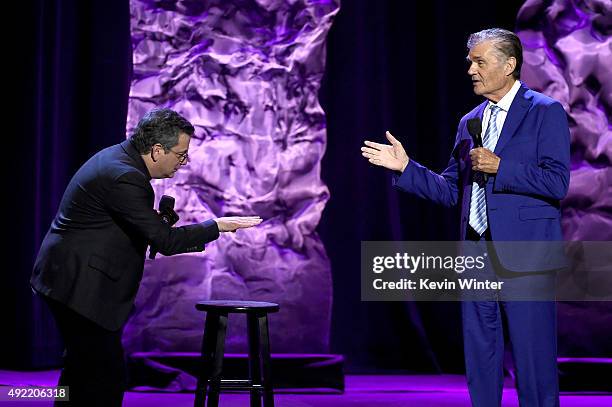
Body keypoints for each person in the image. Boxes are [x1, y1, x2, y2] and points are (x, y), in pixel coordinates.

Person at [361, 28, 570, 407]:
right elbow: (452, 190)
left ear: (509, 65)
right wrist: (407, 168)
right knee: (480, 358)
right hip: (475, 255)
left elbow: (557, 182)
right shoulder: (469, 121)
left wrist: (500, 167)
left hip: (525, 258)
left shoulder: (544, 111)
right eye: (469, 61)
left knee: (533, 360)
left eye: (480, 61)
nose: (471, 69)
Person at [31, 108, 262, 406]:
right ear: (156, 150)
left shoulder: (120, 160)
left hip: (67, 276)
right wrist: (216, 226)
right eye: (180, 155)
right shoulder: (125, 176)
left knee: (83, 371)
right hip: (79, 285)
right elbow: (165, 240)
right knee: (104, 377)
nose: (183, 163)